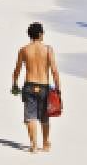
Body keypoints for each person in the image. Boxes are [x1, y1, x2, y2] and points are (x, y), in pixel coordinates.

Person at [12, 22, 61, 154]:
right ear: (40, 34)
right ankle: (45, 144)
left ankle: (33, 145)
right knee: (45, 117)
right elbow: (54, 71)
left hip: (29, 85)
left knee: (30, 117)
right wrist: (58, 89)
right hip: (44, 86)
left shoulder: (24, 50)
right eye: (43, 32)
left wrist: (14, 83)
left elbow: (17, 70)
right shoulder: (48, 49)